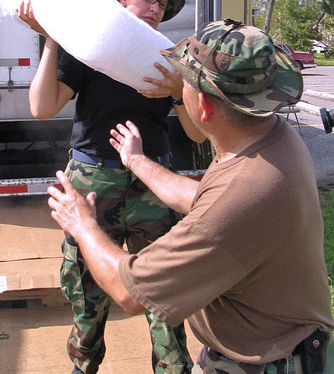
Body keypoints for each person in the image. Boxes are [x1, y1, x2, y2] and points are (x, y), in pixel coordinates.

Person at [48, 19, 334, 374]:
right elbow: (204, 196)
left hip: (265, 364)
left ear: (204, 105)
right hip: (282, 348)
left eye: (183, 79)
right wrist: (137, 161)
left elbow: (128, 291)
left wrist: (83, 224)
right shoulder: (271, 140)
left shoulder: (241, 196)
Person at [19, 0, 205, 374]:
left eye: (161, 2)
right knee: (88, 295)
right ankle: (83, 366)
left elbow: (196, 134)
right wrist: (53, 39)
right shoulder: (93, 48)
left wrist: (178, 91)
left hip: (152, 185)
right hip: (92, 184)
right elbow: (41, 106)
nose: (153, 8)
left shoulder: (172, 59)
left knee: (163, 295)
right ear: (123, 0)